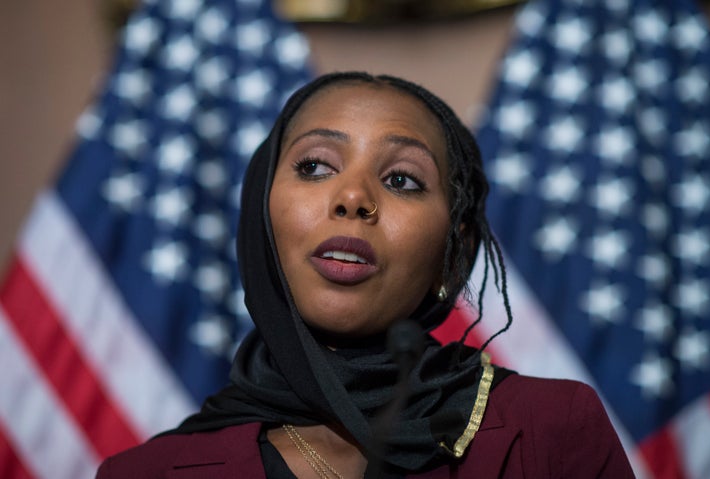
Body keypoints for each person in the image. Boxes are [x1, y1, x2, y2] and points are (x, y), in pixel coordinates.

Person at [96, 72, 635, 478]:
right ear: (261, 218)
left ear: (453, 255)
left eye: (402, 179)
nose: (353, 197)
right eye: (314, 167)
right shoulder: (143, 474)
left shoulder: (552, 429)